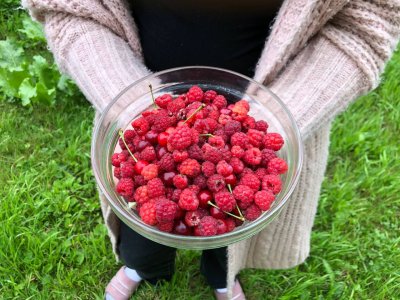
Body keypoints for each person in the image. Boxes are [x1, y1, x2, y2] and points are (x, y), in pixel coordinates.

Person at [23, 0, 400, 299]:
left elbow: (369, 21)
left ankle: (223, 278)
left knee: (231, 226)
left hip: (272, 100)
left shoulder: (252, 154)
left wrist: (277, 119)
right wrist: (129, 103)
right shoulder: (146, 139)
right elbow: (64, 5)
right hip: (142, 102)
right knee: (144, 215)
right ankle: (141, 267)